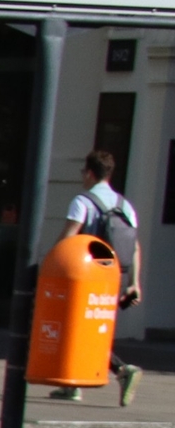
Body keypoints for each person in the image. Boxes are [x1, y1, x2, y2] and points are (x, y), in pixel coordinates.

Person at [53, 148, 145, 406]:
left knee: (75, 327)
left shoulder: (83, 201)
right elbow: (135, 246)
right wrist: (134, 283)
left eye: (84, 172)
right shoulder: (125, 205)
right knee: (91, 329)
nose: (83, 177)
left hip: (86, 275)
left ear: (91, 173)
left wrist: (49, 264)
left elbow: (68, 237)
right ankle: (71, 384)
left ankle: (122, 370)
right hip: (113, 275)